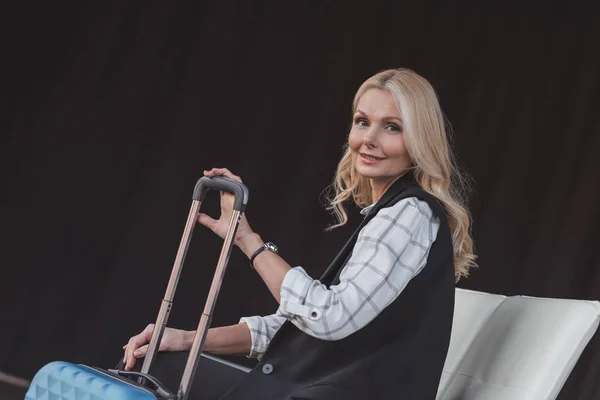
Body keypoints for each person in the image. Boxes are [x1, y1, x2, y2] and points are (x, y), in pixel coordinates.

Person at [120, 68, 477, 399]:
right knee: (159, 362)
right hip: (313, 387)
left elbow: (328, 317)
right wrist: (187, 339)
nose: (368, 139)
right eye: (362, 122)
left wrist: (252, 244)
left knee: (155, 373)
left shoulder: (409, 214)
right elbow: (300, 330)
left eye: (392, 127)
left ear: (419, 140)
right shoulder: (392, 213)